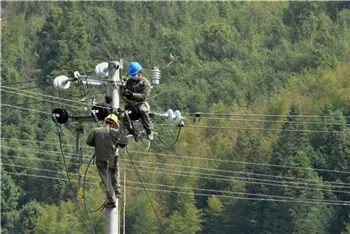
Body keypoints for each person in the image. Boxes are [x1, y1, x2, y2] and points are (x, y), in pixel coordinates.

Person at [86, 114, 128, 208]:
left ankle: (112, 200)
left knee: (106, 180)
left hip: (101, 160)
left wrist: (98, 144)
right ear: (114, 124)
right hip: (112, 160)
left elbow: (88, 142)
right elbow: (124, 143)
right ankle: (117, 189)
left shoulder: (96, 131)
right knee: (114, 173)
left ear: (105, 122)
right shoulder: (114, 133)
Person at [121, 61, 153, 141]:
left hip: (141, 103)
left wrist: (133, 95)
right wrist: (125, 94)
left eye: (134, 75)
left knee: (143, 111)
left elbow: (144, 96)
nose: (133, 76)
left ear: (139, 73)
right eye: (132, 75)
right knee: (123, 115)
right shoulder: (129, 82)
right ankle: (134, 132)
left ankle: (149, 130)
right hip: (130, 104)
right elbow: (123, 91)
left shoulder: (145, 83)